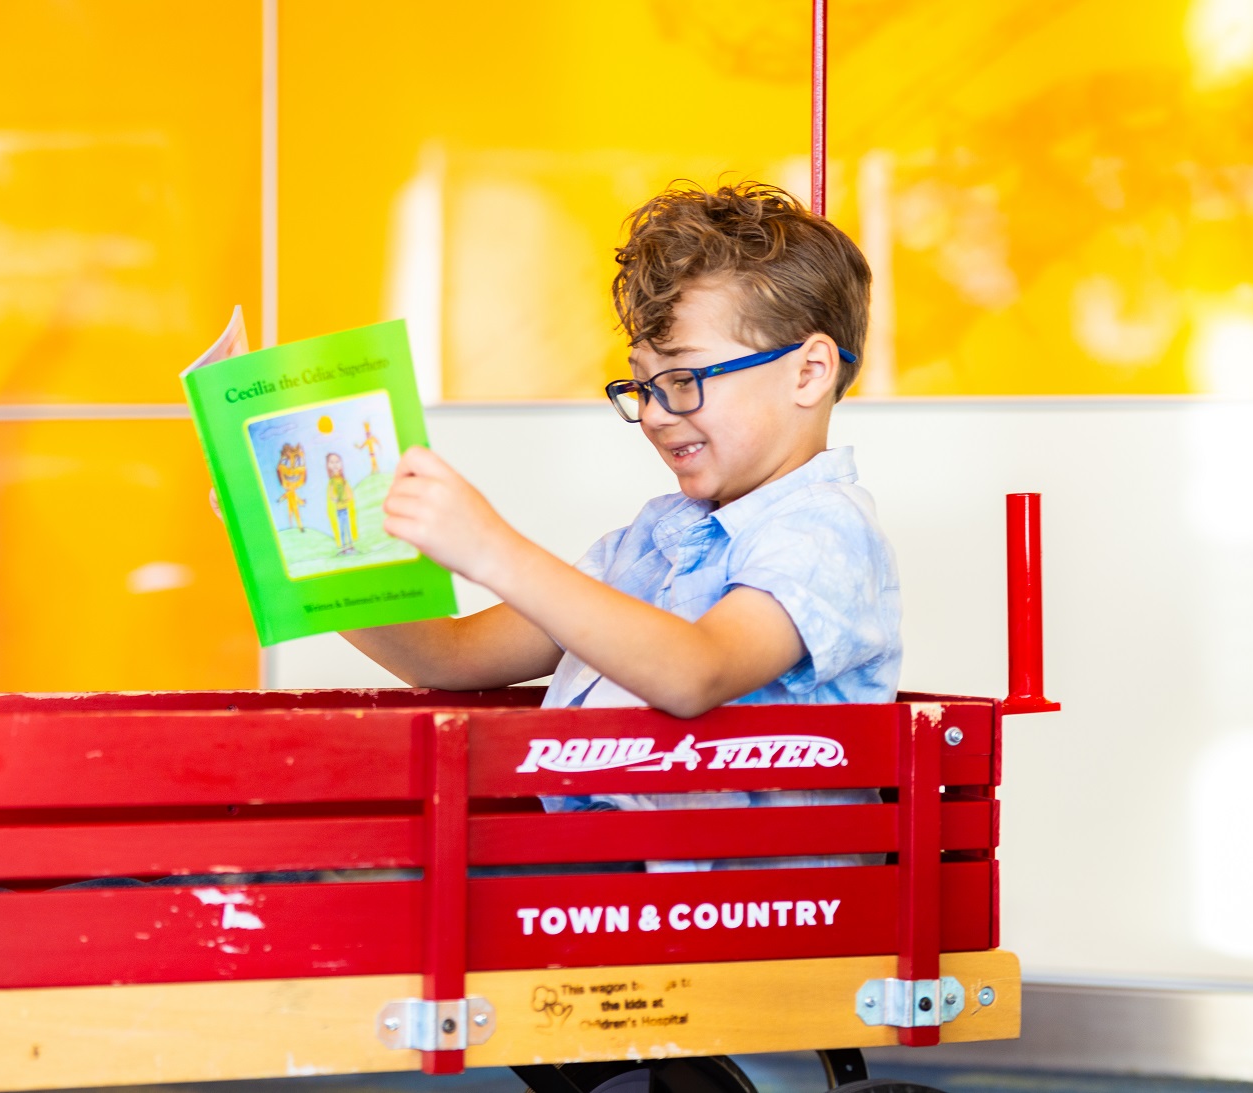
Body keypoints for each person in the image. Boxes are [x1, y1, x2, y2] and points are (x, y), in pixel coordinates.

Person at [343, 181, 901, 871]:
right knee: (346, 861)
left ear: (809, 371)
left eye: (686, 378)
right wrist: (291, 548)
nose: (659, 413)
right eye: (642, 384)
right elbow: (448, 658)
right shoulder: (651, 543)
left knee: (368, 872)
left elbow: (695, 671)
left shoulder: (823, 534)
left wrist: (490, 549)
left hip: (730, 917)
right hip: (608, 884)